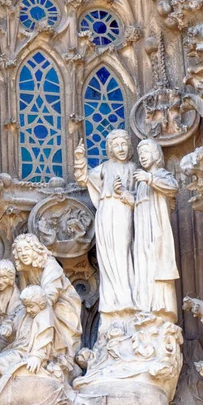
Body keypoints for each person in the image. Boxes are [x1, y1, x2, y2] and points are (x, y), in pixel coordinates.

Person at [74, 129, 136, 321]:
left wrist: (124, 191)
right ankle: (112, 302)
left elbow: (142, 199)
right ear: (109, 149)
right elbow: (83, 179)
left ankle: (127, 299)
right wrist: (79, 159)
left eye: (124, 144)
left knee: (123, 254)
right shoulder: (104, 168)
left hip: (124, 213)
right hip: (106, 214)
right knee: (107, 256)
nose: (121, 148)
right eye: (116, 145)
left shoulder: (133, 169)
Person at [12, 233, 82, 365]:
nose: (23, 254)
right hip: (36, 303)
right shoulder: (24, 269)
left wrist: (37, 306)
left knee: (42, 311)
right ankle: (23, 350)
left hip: (62, 305)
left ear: (36, 250)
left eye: (27, 249)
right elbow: (22, 295)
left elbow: (51, 294)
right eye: (19, 251)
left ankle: (44, 355)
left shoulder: (50, 264)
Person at [133, 139, 179, 321]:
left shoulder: (161, 175)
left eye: (146, 152)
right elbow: (138, 204)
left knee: (158, 266)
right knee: (144, 266)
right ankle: (146, 306)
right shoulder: (141, 184)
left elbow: (173, 188)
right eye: (140, 154)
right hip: (142, 233)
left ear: (156, 154)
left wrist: (150, 179)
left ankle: (162, 309)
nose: (142, 157)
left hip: (157, 230)